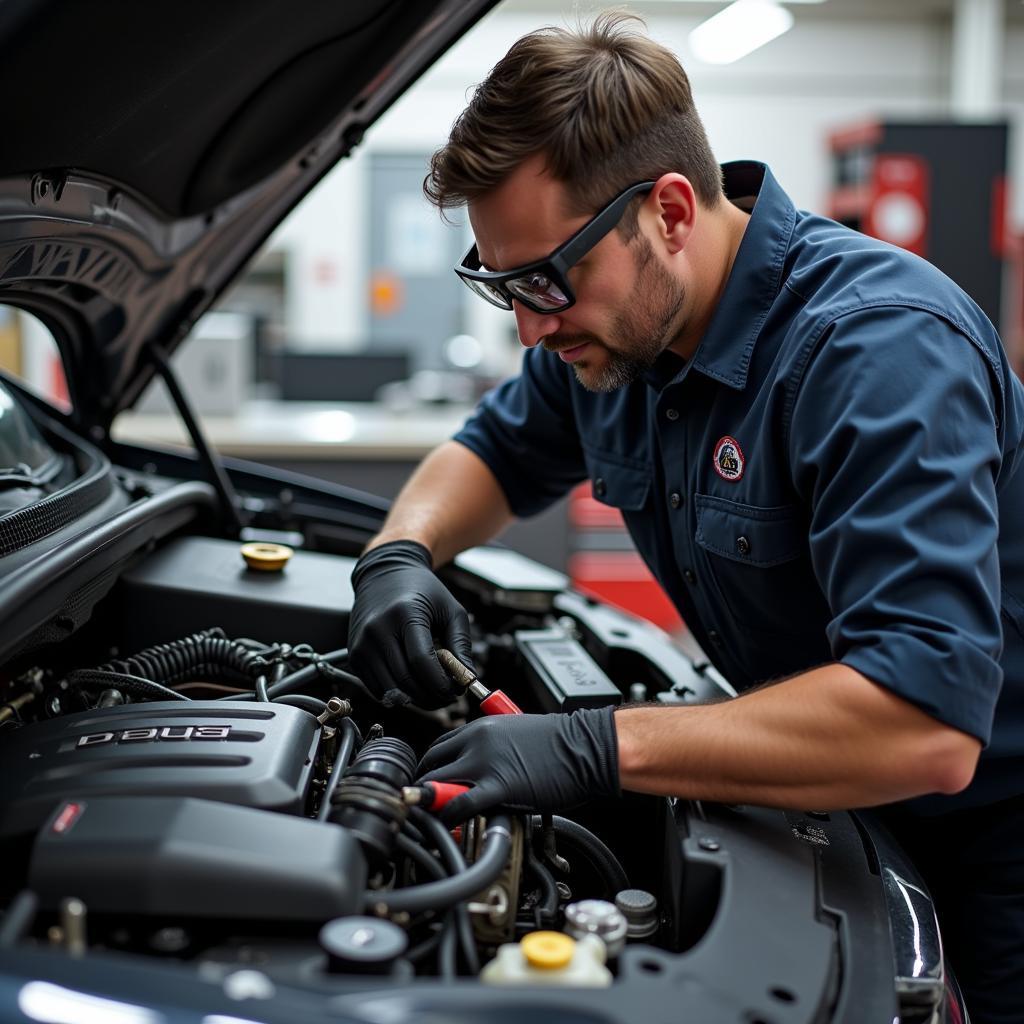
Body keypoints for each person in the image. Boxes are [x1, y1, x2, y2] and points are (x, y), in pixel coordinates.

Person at [345, 14, 1024, 1020]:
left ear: (668, 210)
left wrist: (591, 746)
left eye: (544, 279)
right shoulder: (615, 337)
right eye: (500, 286)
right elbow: (488, 451)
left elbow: (922, 726)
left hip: (987, 853)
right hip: (822, 799)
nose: (531, 327)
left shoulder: (875, 352)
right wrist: (398, 553)